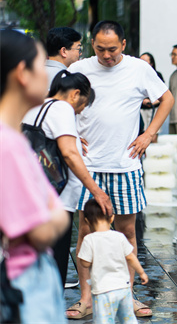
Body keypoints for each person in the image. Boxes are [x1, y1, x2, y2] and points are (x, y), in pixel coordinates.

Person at [66, 20, 174, 319]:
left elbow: (167, 99)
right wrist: (72, 133)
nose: (107, 55)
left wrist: (149, 133)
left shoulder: (139, 69)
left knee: (127, 232)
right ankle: (86, 298)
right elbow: (59, 102)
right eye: (100, 49)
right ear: (93, 45)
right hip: (89, 167)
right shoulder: (81, 69)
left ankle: (128, 295)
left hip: (125, 164)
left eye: (112, 49)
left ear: (123, 45)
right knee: (87, 233)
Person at [0, 29, 70, 323]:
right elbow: (41, 231)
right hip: (23, 285)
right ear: (22, 73)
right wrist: (58, 216)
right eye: (43, 66)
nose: (49, 77)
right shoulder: (9, 145)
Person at [22, 70, 111, 289]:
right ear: (76, 94)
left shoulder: (37, 106)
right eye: (82, 106)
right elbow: (70, 154)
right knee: (54, 262)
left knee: (34, 259)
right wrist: (97, 192)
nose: (80, 111)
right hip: (55, 200)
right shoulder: (62, 108)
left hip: (32, 195)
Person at [78, 198, 148, 324]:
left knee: (104, 321)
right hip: (123, 288)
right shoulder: (119, 236)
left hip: (102, 291)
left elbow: (85, 263)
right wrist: (141, 272)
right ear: (111, 219)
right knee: (128, 319)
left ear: (87, 221)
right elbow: (131, 257)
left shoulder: (89, 240)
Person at [139, 52, 164, 142]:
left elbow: (164, 96)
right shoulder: (137, 76)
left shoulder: (157, 75)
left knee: (153, 135)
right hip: (141, 110)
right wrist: (142, 101)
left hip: (154, 109)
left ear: (151, 63)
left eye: (145, 61)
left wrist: (153, 102)